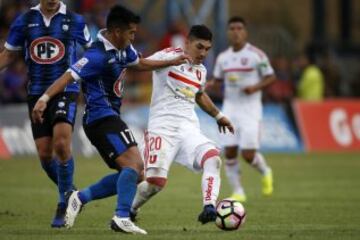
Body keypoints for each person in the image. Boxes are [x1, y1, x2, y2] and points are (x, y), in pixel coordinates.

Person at [32, 5, 190, 234]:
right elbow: (69, 75)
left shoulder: (123, 47)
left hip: (110, 117)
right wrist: (44, 98)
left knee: (135, 173)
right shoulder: (96, 55)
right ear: (117, 31)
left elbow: (140, 63)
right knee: (135, 166)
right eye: (131, 33)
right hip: (99, 117)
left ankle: (80, 197)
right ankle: (121, 216)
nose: (134, 37)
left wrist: (171, 61)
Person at [0, 0, 92, 227]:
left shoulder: (75, 20)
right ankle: (71, 193)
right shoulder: (24, 20)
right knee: (44, 154)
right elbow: (8, 54)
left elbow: (92, 53)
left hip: (65, 90)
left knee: (61, 145)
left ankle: (63, 204)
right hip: (36, 92)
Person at [130, 25, 234, 224]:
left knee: (213, 159)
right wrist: (170, 61)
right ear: (187, 42)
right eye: (199, 47)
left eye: (207, 49)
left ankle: (209, 207)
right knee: (155, 184)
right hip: (162, 129)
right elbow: (139, 64)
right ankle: (129, 210)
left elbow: (199, 95)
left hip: (188, 130)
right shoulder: (168, 55)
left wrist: (219, 116)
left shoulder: (200, 71)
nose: (203, 53)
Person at [211, 16, 276, 202]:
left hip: (251, 110)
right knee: (229, 152)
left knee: (248, 155)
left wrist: (254, 88)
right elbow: (217, 81)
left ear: (245, 32)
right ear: (228, 32)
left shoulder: (257, 55)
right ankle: (238, 191)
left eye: (239, 28)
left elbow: (271, 76)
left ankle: (266, 171)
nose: (236, 31)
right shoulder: (223, 58)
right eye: (232, 28)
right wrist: (207, 86)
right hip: (230, 108)